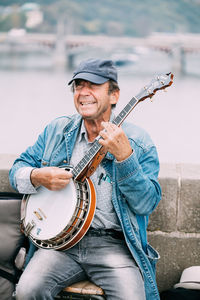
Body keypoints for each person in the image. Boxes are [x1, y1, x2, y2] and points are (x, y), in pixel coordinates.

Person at [9, 58, 162, 300]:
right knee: (27, 290)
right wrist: (38, 176)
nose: (83, 93)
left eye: (93, 85)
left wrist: (125, 158)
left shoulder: (138, 142)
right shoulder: (57, 130)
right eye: (78, 85)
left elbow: (146, 204)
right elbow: (16, 172)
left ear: (114, 95)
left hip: (114, 246)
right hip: (61, 246)